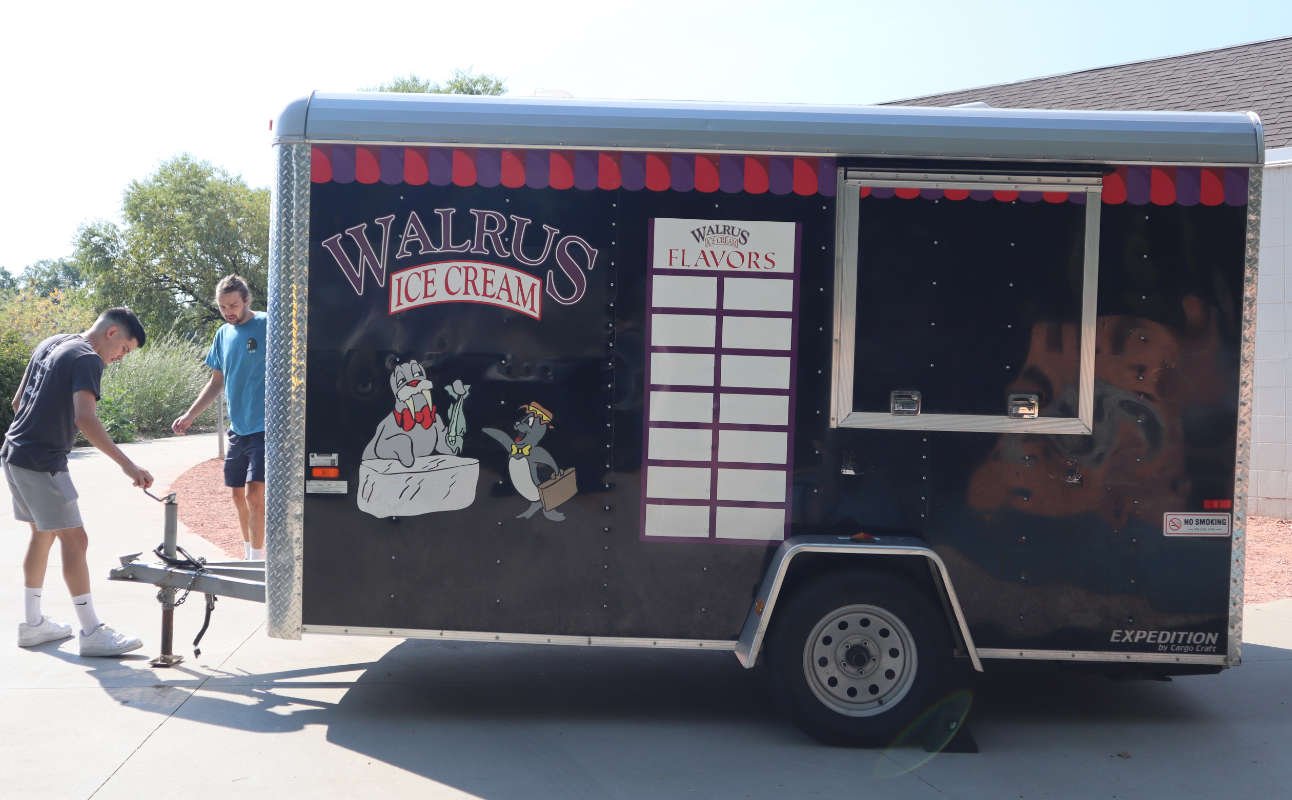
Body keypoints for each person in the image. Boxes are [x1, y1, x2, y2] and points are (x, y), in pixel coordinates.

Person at [4, 307, 153, 656]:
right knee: (76, 539)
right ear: (112, 333)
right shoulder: (88, 359)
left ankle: (33, 624)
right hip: (43, 463)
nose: (119, 358)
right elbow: (85, 418)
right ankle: (91, 632)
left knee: (42, 534)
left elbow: (17, 403)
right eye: (124, 350)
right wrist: (128, 466)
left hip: (14, 453)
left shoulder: (53, 342)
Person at [172, 275, 267, 560]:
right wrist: (189, 415)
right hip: (238, 428)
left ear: (247, 300)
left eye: (234, 305)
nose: (229, 312)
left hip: (265, 427)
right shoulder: (222, 334)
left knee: (254, 494)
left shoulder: (266, 324)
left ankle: (258, 561)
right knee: (237, 495)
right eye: (223, 306)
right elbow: (216, 382)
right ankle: (248, 551)